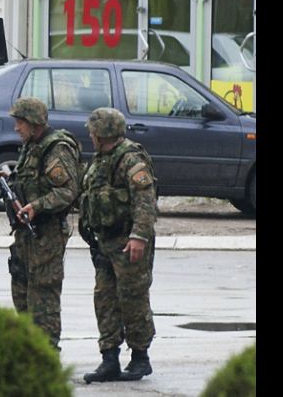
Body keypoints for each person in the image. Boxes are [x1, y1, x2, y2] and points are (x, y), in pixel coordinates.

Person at [0, 97, 82, 351]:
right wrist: (8, 179)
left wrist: (37, 206)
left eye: (20, 122)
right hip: (26, 234)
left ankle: (48, 352)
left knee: (43, 296)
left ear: (34, 123)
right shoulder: (32, 145)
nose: (16, 128)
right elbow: (32, 179)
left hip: (46, 234)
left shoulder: (56, 149)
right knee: (21, 290)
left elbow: (68, 191)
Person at [79, 107, 158, 383]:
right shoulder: (101, 159)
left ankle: (140, 358)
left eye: (93, 131)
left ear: (103, 133)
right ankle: (109, 359)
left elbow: (145, 202)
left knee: (133, 298)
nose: (90, 135)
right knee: (104, 298)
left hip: (127, 242)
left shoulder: (130, 160)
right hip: (104, 242)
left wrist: (138, 237)